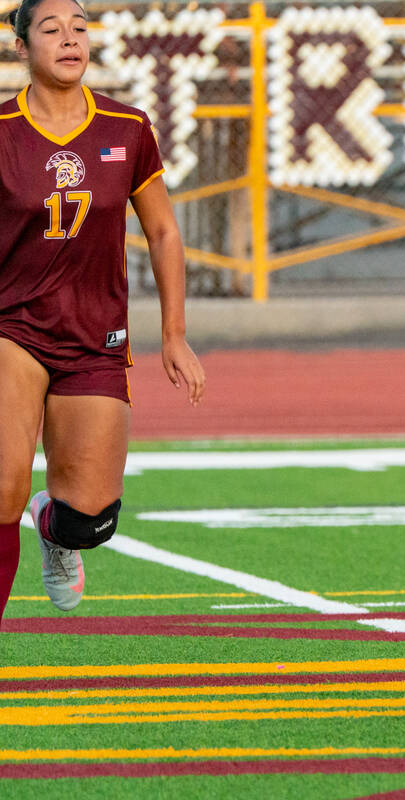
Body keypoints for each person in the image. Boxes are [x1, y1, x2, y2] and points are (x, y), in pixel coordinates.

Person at [0, 0, 206, 625]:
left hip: (96, 337)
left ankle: (56, 529)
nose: (69, 39)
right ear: (21, 48)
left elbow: (166, 233)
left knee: (92, 518)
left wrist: (174, 334)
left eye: (80, 29)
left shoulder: (127, 128)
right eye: (51, 29)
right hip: (12, 328)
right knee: (2, 489)